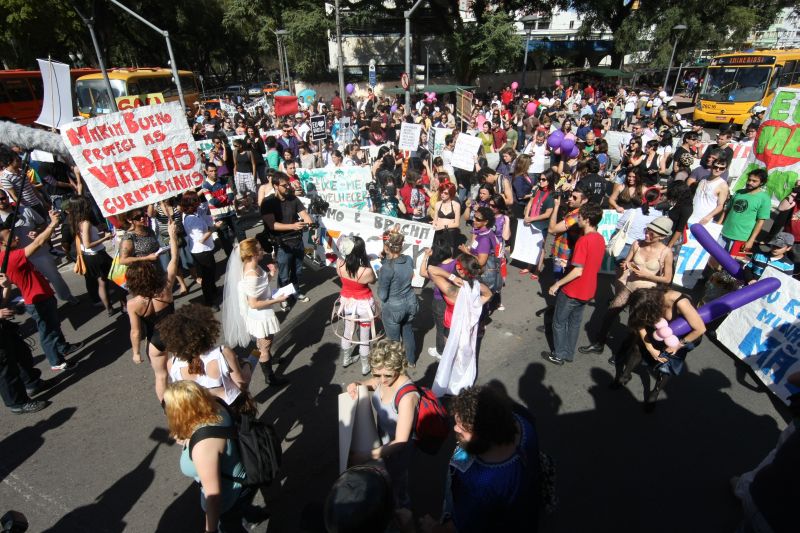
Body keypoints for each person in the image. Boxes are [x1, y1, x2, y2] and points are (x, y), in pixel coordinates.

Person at [419, 385, 540, 533]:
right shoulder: (522, 422)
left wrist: (432, 528)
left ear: (484, 436)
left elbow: (458, 527)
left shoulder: (481, 483)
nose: (455, 429)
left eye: (462, 428)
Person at [163, 381, 255, 533]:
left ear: (179, 411)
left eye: (167, 407)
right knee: (240, 511)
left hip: (229, 497)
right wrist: (187, 437)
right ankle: (251, 514)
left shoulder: (203, 447)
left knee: (230, 526)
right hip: (242, 480)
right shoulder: (216, 406)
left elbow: (213, 496)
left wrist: (210, 530)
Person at [0, 211, 84, 372]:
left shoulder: (7, 255)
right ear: (3, 244)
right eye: (11, 236)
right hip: (37, 299)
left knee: (53, 326)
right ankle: (56, 361)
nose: (17, 237)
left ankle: (63, 347)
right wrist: (52, 224)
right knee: (48, 332)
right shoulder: (11, 257)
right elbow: (38, 243)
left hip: (41, 295)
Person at [580, 216, 674, 359]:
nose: (647, 234)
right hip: (629, 287)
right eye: (647, 230)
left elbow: (667, 279)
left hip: (646, 294)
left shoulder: (666, 253)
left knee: (635, 325)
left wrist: (647, 275)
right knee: (610, 314)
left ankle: (621, 354)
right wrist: (625, 265)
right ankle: (599, 344)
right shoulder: (637, 244)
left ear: (662, 236)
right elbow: (627, 261)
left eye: (652, 233)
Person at [346, 339, 420, 506]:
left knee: (396, 484)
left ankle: (402, 514)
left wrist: (365, 456)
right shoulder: (382, 377)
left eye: (388, 375)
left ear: (399, 368)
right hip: (381, 442)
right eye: (377, 373)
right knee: (384, 481)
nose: (382, 379)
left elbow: (400, 441)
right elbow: (374, 383)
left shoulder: (407, 397)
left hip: (397, 452)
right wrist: (359, 384)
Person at [611, 287, 706, 411]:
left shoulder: (680, 303)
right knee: (638, 348)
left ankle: (655, 393)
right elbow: (640, 323)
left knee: (667, 362)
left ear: (651, 306)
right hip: (659, 327)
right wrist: (650, 348)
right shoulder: (646, 298)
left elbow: (700, 329)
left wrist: (678, 345)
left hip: (681, 335)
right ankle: (625, 376)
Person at [222, 238, 289, 389]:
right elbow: (253, 303)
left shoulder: (251, 265)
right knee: (264, 346)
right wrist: (277, 299)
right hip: (261, 316)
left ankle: (268, 358)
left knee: (263, 343)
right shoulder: (251, 274)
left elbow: (262, 285)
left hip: (261, 314)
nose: (263, 251)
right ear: (252, 254)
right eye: (259, 250)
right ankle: (270, 377)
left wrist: (272, 273)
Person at [160, 304, 252, 413]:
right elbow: (241, 384)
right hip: (229, 409)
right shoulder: (222, 353)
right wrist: (248, 365)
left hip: (200, 414)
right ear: (207, 330)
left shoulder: (173, 364)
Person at [126, 220, 180, 401]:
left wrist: (136, 353)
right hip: (176, 334)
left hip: (155, 341)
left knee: (161, 376)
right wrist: (172, 236)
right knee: (184, 369)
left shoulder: (133, 304)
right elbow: (174, 259)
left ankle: (168, 408)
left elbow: (135, 331)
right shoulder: (165, 288)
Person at [545, 203, 605, 365]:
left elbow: (578, 271)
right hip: (589, 289)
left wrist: (557, 285)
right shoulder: (600, 238)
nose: (577, 219)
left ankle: (558, 354)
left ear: (586, 219)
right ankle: (568, 353)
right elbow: (589, 263)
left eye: (579, 217)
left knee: (559, 322)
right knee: (574, 323)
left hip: (573, 289)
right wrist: (570, 263)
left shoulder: (583, 241)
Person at [0, 190, 78, 305]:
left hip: (39, 252)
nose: (2, 201)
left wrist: (37, 231)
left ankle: (67, 296)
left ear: (7, 197)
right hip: (18, 258)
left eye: (3, 198)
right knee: (31, 285)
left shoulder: (25, 210)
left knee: (54, 276)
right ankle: (45, 305)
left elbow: (42, 224)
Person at [260, 172, 314, 309]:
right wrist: (293, 226)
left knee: (297, 271)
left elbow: (305, 215)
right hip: (281, 244)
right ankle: (282, 297)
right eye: (284, 185)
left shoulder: (293, 199)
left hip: (297, 241)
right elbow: (272, 225)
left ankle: (296, 292)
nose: (288, 187)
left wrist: (311, 226)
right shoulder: (268, 202)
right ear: (276, 186)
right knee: (283, 274)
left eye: (288, 184)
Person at [0, 274, 50, 414]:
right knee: (6, 370)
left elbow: (2, 303)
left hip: (4, 327)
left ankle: (33, 383)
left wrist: (6, 287)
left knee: (22, 354)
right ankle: (17, 403)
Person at [332, 235, 377, 375]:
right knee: (364, 336)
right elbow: (373, 281)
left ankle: (346, 359)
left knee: (347, 331)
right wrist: (367, 262)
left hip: (347, 302)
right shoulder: (366, 271)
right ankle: (365, 366)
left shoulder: (339, 264)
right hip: (364, 304)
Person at [378, 228, 418, 367]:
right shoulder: (408, 259)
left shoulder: (386, 269)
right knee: (407, 331)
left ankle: (397, 365)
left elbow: (382, 295)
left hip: (394, 308)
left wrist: (381, 274)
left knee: (393, 340)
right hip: (411, 302)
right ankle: (411, 361)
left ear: (386, 247)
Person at [181, 190, 222, 310]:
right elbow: (201, 239)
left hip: (205, 249)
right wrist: (214, 227)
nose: (199, 203)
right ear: (191, 204)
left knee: (211, 271)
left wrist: (200, 190)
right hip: (201, 250)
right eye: (196, 201)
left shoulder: (192, 213)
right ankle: (209, 301)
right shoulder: (191, 219)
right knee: (207, 276)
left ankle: (213, 290)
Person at [718, 168, 771, 256]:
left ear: (761, 183)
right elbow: (726, 210)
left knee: (733, 265)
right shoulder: (739, 192)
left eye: (754, 181)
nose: (750, 182)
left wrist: (751, 240)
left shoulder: (764, 198)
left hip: (742, 238)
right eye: (749, 179)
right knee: (715, 259)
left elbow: (760, 222)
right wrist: (718, 225)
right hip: (724, 233)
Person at [422, 236, 457, 361]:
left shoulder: (438, 269)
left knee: (440, 327)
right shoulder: (457, 263)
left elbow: (422, 272)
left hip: (440, 301)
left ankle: (440, 350)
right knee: (451, 325)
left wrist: (426, 256)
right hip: (454, 299)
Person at [609, 187, 664, 261]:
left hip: (627, 245)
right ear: (657, 200)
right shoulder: (659, 216)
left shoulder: (633, 211)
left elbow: (619, 226)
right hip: (643, 247)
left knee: (621, 269)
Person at [548, 184, 590, 280]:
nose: (570, 199)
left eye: (574, 197)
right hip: (564, 253)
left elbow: (551, 229)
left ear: (584, 200)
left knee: (559, 283)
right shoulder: (577, 210)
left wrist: (556, 207)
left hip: (564, 255)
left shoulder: (576, 215)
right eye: (570, 195)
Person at [200, 162, 241, 256]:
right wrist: (224, 197)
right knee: (225, 239)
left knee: (240, 233)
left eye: (215, 170)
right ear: (206, 172)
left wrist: (220, 198)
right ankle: (231, 259)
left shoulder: (224, 180)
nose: (214, 173)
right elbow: (213, 202)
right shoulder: (205, 186)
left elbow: (231, 196)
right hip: (219, 216)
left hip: (231, 212)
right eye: (211, 171)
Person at [522, 169, 556, 279]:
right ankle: (529, 266)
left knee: (540, 247)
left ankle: (537, 270)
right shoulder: (537, 190)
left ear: (549, 181)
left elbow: (547, 214)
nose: (540, 181)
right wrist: (527, 215)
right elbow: (531, 202)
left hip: (542, 225)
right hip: (531, 222)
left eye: (543, 180)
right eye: (539, 179)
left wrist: (531, 218)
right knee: (531, 244)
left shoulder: (551, 196)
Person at [691, 157, 729, 225]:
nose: (717, 170)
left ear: (724, 170)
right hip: (691, 215)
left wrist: (708, 217)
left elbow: (720, 205)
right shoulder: (703, 178)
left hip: (704, 220)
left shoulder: (723, 185)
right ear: (711, 166)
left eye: (721, 168)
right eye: (715, 167)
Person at [430, 180, 461, 247]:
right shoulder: (438, 204)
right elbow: (435, 219)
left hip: (450, 233)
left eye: (445, 193)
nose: (442, 194)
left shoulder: (456, 205)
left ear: (451, 193)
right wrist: (434, 223)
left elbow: (457, 224)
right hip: (438, 232)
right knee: (437, 251)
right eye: (441, 192)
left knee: (449, 253)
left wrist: (443, 226)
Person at [232, 138, 258, 212]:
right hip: (239, 174)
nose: (235, 147)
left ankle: (255, 205)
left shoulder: (249, 152)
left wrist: (254, 175)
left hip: (248, 173)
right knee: (242, 192)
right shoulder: (234, 152)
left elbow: (253, 164)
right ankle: (246, 206)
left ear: (240, 145)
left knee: (253, 191)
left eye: (236, 145)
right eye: (234, 145)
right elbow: (235, 164)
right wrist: (235, 175)